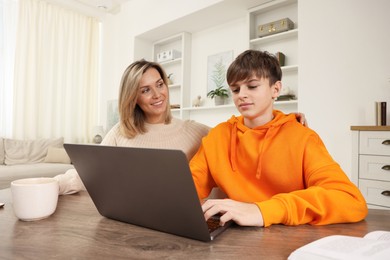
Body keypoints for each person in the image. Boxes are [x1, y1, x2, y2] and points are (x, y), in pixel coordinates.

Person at [56, 59, 307, 195]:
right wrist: (51, 186)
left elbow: (245, 141)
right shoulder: (121, 133)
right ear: (133, 97)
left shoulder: (195, 131)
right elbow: (86, 173)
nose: (157, 95)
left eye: (160, 84)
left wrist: (281, 121)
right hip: (134, 218)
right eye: (145, 90)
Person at [189, 50, 368, 228]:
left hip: (288, 236)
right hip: (232, 237)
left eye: (252, 86)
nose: (241, 95)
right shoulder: (218, 136)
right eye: (235, 89)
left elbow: (350, 200)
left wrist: (263, 210)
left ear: (276, 89)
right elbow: (188, 187)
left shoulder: (302, 137)